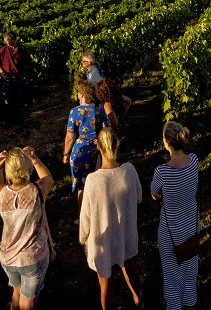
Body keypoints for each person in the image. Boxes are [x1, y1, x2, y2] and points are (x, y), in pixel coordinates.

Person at [80, 129, 144, 310]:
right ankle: (139, 300)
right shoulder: (130, 170)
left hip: (103, 239)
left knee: (105, 280)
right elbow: (139, 197)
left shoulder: (93, 180)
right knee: (129, 264)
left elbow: (85, 216)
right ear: (117, 145)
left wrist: (83, 237)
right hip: (125, 232)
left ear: (98, 147)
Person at [0, 146, 53, 310]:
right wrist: (35, 159)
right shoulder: (37, 191)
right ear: (28, 169)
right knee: (28, 302)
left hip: (8, 256)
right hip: (32, 257)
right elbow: (47, 177)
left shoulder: (0, 194)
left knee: (17, 292)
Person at [150, 121, 200, 310]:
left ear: (166, 141)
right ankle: (189, 303)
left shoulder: (162, 172)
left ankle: (173, 305)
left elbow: (154, 194)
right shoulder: (194, 160)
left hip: (171, 231)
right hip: (192, 225)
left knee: (172, 275)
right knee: (190, 270)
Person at [62, 78, 107, 218]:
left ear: (81, 94)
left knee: (82, 186)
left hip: (80, 151)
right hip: (97, 151)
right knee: (97, 185)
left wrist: (65, 153)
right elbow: (106, 131)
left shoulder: (75, 112)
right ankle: (97, 215)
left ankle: (83, 218)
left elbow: (70, 136)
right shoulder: (100, 110)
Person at [0, 30, 28, 125]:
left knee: (18, 98)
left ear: (13, 39)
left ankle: (17, 118)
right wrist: (2, 72)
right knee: (7, 99)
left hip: (17, 78)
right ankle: (6, 120)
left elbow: (26, 63)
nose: (6, 43)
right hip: (7, 79)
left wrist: (21, 74)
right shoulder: (3, 50)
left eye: (7, 41)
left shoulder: (22, 49)